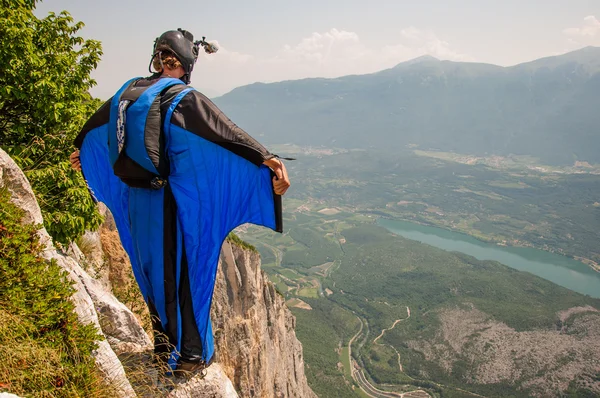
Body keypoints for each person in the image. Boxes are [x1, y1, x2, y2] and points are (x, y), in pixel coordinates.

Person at [70, 29, 290, 374]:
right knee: (184, 273)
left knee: (149, 274)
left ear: (156, 59)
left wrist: (82, 154)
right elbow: (225, 132)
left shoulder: (128, 92)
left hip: (134, 202)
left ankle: (163, 346)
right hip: (166, 203)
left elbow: (90, 131)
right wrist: (269, 159)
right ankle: (191, 356)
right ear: (187, 64)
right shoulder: (181, 97)